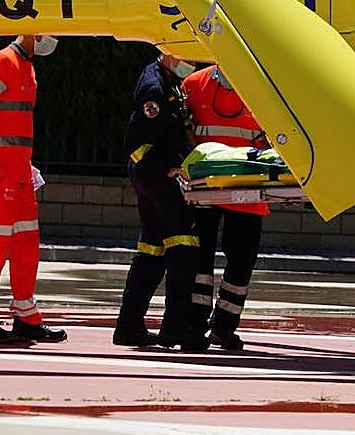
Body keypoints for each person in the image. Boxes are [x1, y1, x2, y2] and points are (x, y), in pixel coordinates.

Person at [0, 34, 67, 345]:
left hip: (19, 173)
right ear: (30, 31)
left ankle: (26, 316)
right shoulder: (3, 62)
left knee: (26, 245)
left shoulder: (26, 66)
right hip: (0, 173)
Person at [113, 52, 201, 348]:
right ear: (167, 54)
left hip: (151, 174)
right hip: (156, 174)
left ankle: (129, 326)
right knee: (184, 246)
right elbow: (140, 143)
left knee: (152, 249)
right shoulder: (155, 88)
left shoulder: (168, 82)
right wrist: (167, 170)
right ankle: (176, 328)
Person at [181, 63, 268, 351]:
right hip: (209, 185)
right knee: (200, 257)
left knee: (241, 257)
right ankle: (196, 324)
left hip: (248, 185)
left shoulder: (267, 86)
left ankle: (223, 326)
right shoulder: (194, 84)